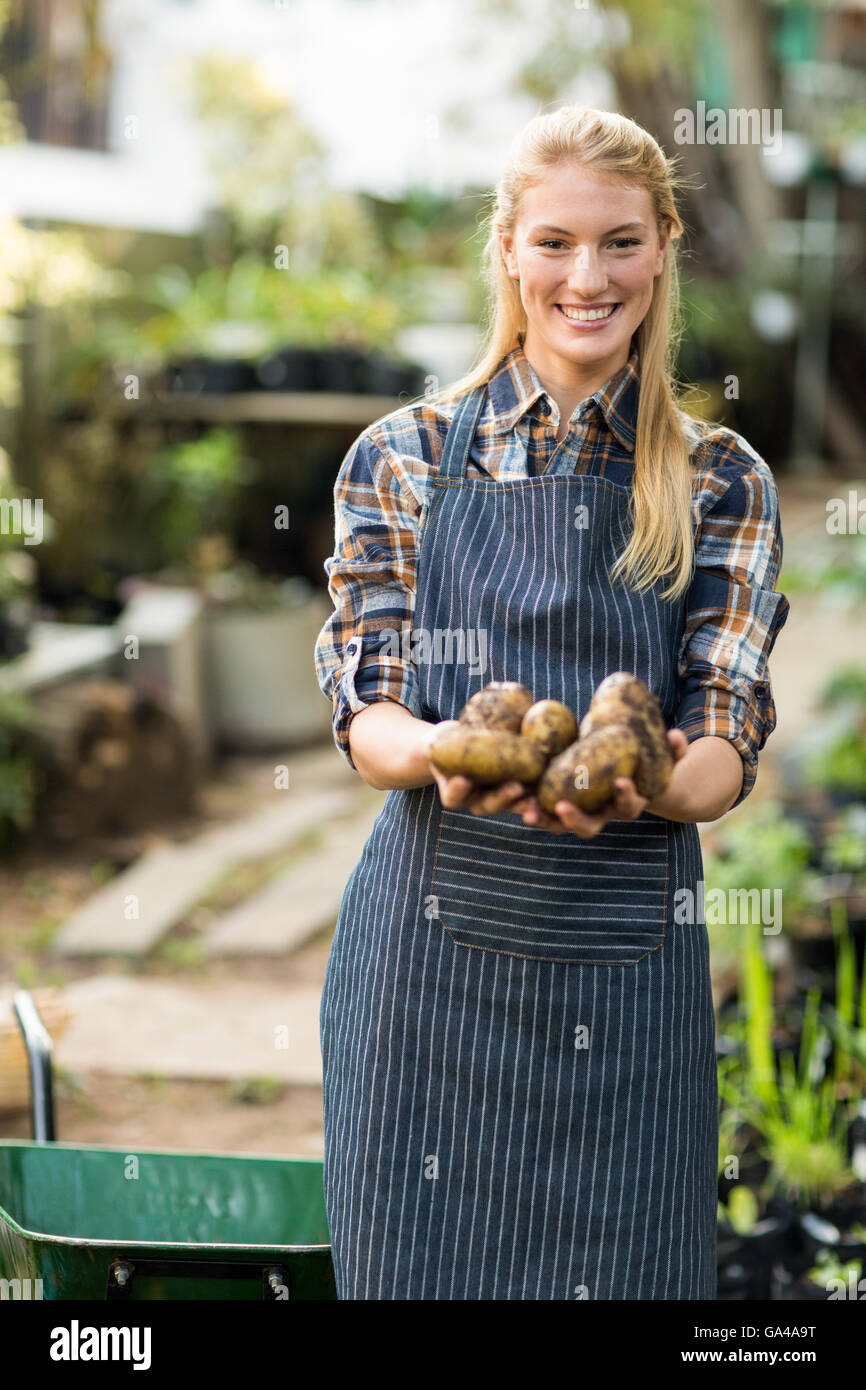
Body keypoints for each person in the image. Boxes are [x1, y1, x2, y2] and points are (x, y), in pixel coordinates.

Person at [313, 104, 789, 1300]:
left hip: (627, 976)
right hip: (426, 981)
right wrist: (445, 749)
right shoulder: (404, 456)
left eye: (620, 242)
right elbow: (367, 711)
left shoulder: (720, 479)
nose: (588, 277)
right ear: (508, 250)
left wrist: (639, 781)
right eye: (555, 242)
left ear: (664, 246)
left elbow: (719, 742)